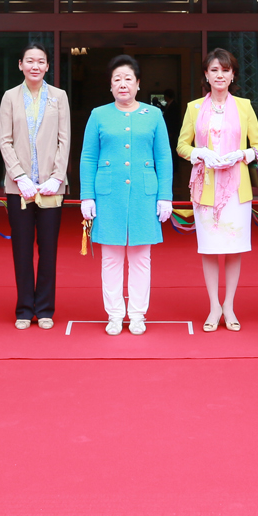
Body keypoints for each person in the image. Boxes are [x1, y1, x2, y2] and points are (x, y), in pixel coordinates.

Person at [78, 55, 173, 335]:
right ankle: (115, 314)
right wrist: (87, 196)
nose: (123, 84)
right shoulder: (99, 114)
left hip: (145, 193)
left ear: (138, 84)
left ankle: (138, 314)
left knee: (142, 257)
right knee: (111, 257)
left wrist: (164, 195)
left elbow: (164, 157)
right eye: (117, 79)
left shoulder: (154, 115)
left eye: (128, 79)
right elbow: (88, 157)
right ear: (110, 85)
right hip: (108, 193)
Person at [179, 48, 258, 332]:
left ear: (232, 75)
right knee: (209, 248)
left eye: (225, 70)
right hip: (204, 187)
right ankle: (213, 305)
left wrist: (242, 155)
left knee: (233, 248)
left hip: (236, 187)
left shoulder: (244, 105)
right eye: (214, 70)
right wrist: (200, 153)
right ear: (206, 74)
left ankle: (229, 304)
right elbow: (182, 145)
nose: (220, 75)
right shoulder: (194, 108)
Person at [0, 42, 69, 330]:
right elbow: (5, 140)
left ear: (48, 66)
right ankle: (25, 308)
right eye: (30, 61)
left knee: (48, 249)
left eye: (41, 61)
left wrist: (56, 177)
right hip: (20, 189)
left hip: (52, 187)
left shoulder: (59, 96)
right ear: (20, 64)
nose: (35, 66)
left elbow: (65, 140)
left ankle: (46, 307)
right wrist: (19, 176)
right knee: (22, 249)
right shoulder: (10, 97)